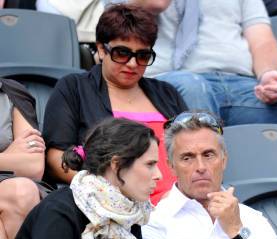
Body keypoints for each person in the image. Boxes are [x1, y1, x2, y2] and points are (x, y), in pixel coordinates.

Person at [131, 0, 277, 186]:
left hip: (239, 85)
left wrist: (268, 74)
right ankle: (215, 204)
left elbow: (261, 38)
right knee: (194, 86)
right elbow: (152, 5)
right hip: (173, 81)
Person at [43, 3, 187, 204]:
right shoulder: (74, 88)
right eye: (122, 53)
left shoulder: (167, 93)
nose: (132, 64)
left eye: (143, 56)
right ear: (102, 49)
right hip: (112, 206)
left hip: (180, 207)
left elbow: (190, 148)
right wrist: (106, 191)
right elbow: (55, 160)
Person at [5, 118, 161, 239]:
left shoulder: (130, 215)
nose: (159, 175)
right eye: (150, 164)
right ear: (116, 164)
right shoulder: (58, 211)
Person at [141, 111, 277, 239]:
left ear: (223, 160)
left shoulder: (253, 219)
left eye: (208, 155)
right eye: (187, 158)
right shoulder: (153, 221)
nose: (200, 167)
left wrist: (236, 230)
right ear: (171, 167)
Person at [0, 79, 46, 239]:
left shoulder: (10, 92)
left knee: (23, 191)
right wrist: (9, 157)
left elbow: (33, 166)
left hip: (8, 187)